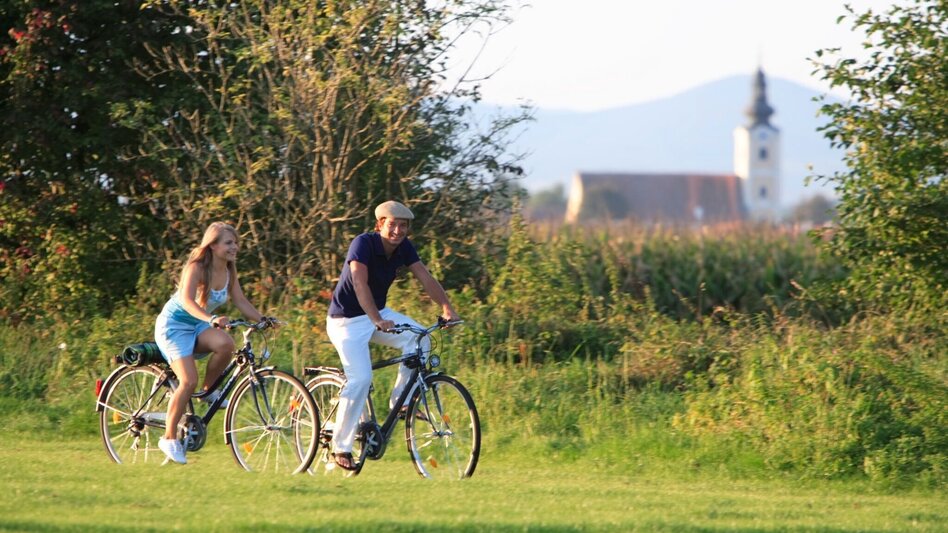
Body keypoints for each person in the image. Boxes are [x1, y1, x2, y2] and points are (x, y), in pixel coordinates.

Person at [326, 200, 460, 471]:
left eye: (403, 226)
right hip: (346, 321)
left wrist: (447, 308)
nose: (398, 230)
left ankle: (402, 401)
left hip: (379, 314)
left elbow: (425, 278)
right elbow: (359, 283)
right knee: (361, 378)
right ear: (380, 225)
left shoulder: (403, 247)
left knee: (419, 338)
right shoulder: (363, 244)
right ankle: (341, 447)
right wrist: (376, 319)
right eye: (392, 224)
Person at [154, 222, 269, 464]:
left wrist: (263, 320)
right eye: (229, 243)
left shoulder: (229, 270)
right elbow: (186, 300)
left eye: (236, 242)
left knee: (226, 345)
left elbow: (240, 300)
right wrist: (212, 318)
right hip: (173, 327)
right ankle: (169, 437)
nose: (234, 247)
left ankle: (208, 392)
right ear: (213, 245)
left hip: (197, 326)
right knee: (187, 380)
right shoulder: (196, 267)